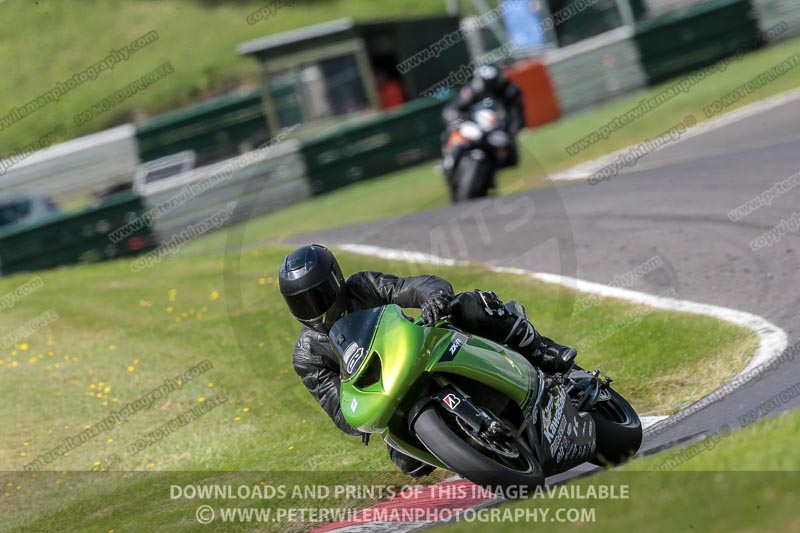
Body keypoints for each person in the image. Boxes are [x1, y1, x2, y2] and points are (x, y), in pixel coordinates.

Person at [278, 244, 576, 478]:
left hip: (417, 351)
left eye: (318, 295)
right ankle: (473, 453)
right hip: (389, 393)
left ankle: (540, 349)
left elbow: (416, 286)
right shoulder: (307, 356)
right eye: (302, 302)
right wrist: (364, 409)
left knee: (467, 307)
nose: (314, 307)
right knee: (408, 462)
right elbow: (342, 413)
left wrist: (433, 300)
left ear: (335, 281)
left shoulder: (362, 285)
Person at [442, 64, 525, 168]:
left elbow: (516, 114)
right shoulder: (472, 89)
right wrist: (454, 116)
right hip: (473, 124)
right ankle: (449, 157)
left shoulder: (510, 91)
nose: (490, 86)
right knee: (453, 130)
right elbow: (456, 106)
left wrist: (513, 131)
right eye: (488, 83)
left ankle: (493, 165)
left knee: (512, 159)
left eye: (493, 82)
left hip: (497, 127)